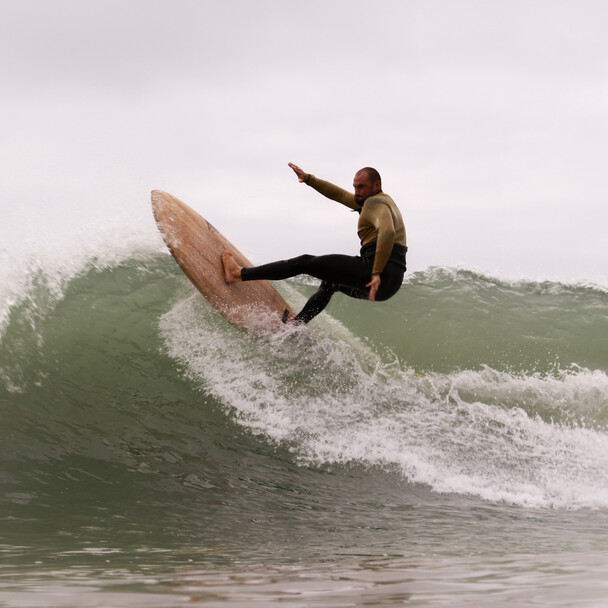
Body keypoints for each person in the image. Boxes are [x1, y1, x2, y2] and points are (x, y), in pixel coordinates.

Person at [221, 162, 407, 324]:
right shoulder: (380, 201)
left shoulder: (374, 203)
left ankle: (237, 274)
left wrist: (375, 272)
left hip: (377, 271)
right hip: (391, 284)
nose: (357, 192)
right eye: (355, 187)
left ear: (377, 185)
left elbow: (388, 231)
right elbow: (340, 195)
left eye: (361, 187)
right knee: (330, 283)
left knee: (303, 262)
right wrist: (309, 179)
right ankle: (298, 324)